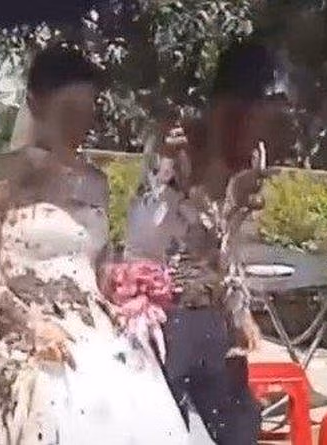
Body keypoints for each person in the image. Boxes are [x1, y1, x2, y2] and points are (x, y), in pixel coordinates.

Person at [0, 45, 190, 444]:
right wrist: (34, 326)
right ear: (36, 104)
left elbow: (98, 264)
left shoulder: (96, 182)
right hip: (34, 338)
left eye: (88, 110)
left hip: (97, 332)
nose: (79, 123)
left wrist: (127, 293)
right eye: (68, 110)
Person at [125, 40, 279, 444]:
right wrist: (169, 175)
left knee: (236, 425)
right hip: (166, 317)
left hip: (212, 318)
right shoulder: (178, 151)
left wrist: (239, 310)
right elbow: (142, 236)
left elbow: (229, 244)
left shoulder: (247, 158)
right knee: (169, 426)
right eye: (247, 109)